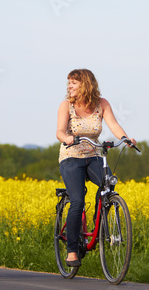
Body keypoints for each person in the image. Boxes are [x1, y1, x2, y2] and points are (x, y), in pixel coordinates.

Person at [56, 69, 137, 267]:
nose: (69, 87)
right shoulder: (67, 105)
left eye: (73, 83)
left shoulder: (102, 104)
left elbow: (113, 125)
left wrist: (125, 138)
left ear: (85, 84)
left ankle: (98, 224)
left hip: (94, 154)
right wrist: (67, 138)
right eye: (69, 83)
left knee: (107, 186)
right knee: (77, 201)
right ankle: (72, 250)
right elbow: (59, 130)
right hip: (71, 156)